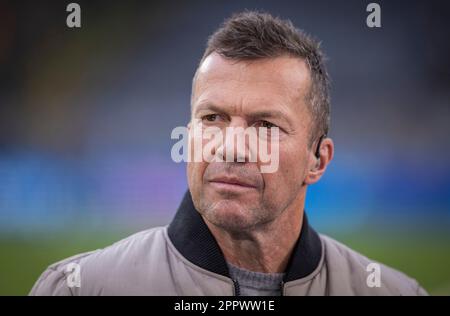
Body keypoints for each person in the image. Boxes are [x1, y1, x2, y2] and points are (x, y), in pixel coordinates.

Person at [30, 11, 427, 296]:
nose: (232, 146)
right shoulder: (80, 288)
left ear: (317, 160)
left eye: (265, 126)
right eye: (213, 117)